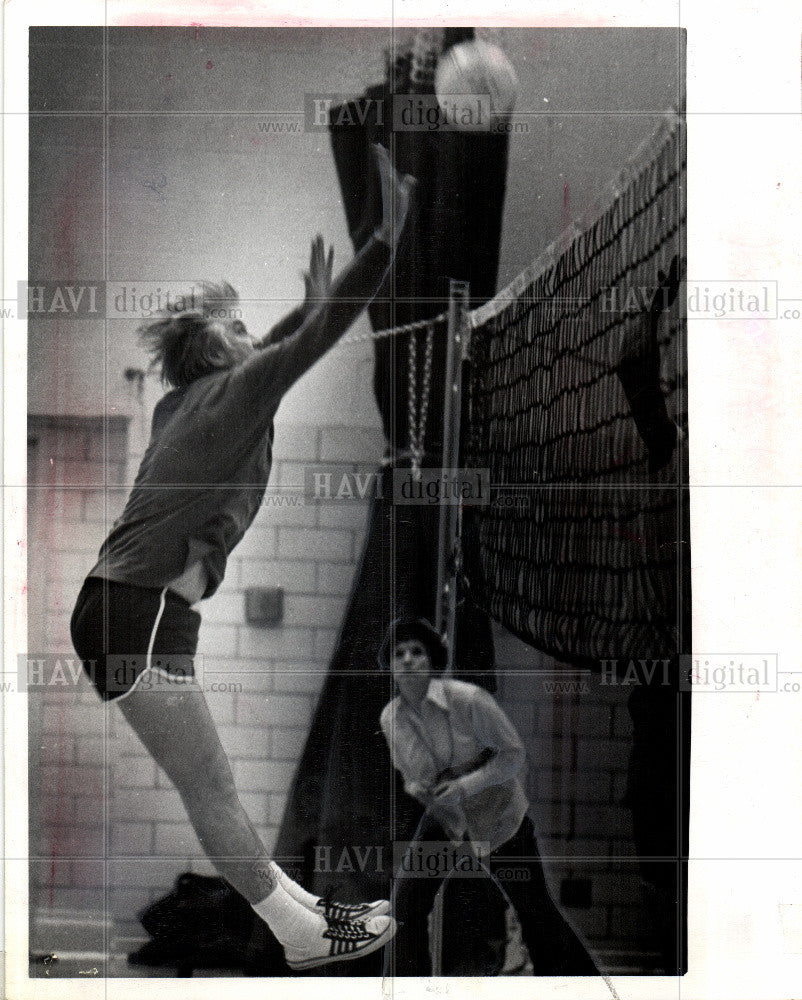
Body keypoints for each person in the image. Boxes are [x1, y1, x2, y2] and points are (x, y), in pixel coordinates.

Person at [69, 145, 415, 971]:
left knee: (212, 787)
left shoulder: (187, 401)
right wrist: (383, 248)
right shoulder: (229, 393)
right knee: (213, 790)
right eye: (235, 326)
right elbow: (304, 345)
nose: (249, 331)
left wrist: (305, 310)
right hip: (140, 606)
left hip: (131, 604)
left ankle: (309, 915)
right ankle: (301, 937)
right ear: (215, 350)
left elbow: (279, 346)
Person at [378, 617, 599, 976]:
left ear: (432, 660)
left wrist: (465, 785)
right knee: (404, 906)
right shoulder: (391, 718)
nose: (406, 660)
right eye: (397, 654)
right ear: (388, 665)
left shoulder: (469, 700)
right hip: (446, 818)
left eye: (416, 652)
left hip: (498, 815)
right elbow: (412, 776)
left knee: (534, 909)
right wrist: (420, 790)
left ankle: (582, 987)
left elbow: (513, 755)